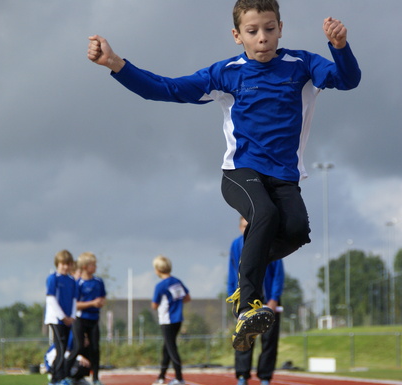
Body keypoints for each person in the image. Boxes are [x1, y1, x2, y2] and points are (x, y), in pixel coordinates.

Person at [87, 0, 361, 352]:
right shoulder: (226, 73)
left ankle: (245, 275)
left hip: (285, 177)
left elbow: (347, 80)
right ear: (237, 36)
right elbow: (166, 88)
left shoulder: (302, 66)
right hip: (240, 173)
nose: (262, 38)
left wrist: (340, 47)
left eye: (269, 28)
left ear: (280, 27)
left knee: (297, 232)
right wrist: (114, 63)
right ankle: (247, 306)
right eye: (252, 31)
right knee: (264, 214)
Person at [228, 217, 284, 385]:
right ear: (239, 227)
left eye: (250, 226)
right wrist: (233, 296)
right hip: (247, 297)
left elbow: (278, 273)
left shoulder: (268, 242)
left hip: (268, 299)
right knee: (244, 336)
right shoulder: (236, 245)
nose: (247, 229)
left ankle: (265, 378)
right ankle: (242, 377)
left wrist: (274, 298)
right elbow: (232, 272)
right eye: (244, 226)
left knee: (269, 340)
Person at [150, 255, 191, 385]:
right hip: (177, 319)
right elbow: (187, 297)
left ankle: (179, 378)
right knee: (166, 348)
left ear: (157, 269)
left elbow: (154, 305)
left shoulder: (160, 286)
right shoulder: (177, 281)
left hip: (167, 320)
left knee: (171, 348)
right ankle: (161, 376)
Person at [71, 252, 109, 385]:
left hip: (94, 319)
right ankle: (66, 375)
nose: (96, 266)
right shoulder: (78, 283)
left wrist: (100, 303)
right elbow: (75, 305)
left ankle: (96, 379)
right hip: (80, 319)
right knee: (79, 347)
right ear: (86, 267)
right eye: (93, 264)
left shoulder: (99, 282)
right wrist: (92, 303)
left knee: (95, 349)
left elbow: (103, 298)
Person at [44, 249, 78, 385]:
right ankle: (55, 380)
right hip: (56, 319)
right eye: (63, 264)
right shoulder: (53, 278)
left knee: (64, 349)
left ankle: (59, 378)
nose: (65, 267)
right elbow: (51, 298)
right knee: (60, 348)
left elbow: (74, 300)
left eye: (68, 264)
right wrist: (62, 316)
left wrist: (72, 316)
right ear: (58, 264)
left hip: (68, 319)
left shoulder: (71, 281)